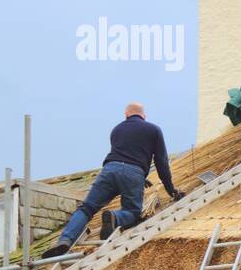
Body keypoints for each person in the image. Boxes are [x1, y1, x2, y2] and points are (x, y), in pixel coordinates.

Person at [42, 103, 185, 258]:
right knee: (133, 212)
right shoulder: (153, 130)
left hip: (109, 170)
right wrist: (171, 190)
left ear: (126, 114)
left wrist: (138, 176)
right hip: (134, 173)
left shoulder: (117, 130)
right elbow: (161, 162)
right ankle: (115, 217)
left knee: (87, 208)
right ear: (144, 116)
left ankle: (65, 240)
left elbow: (125, 155)